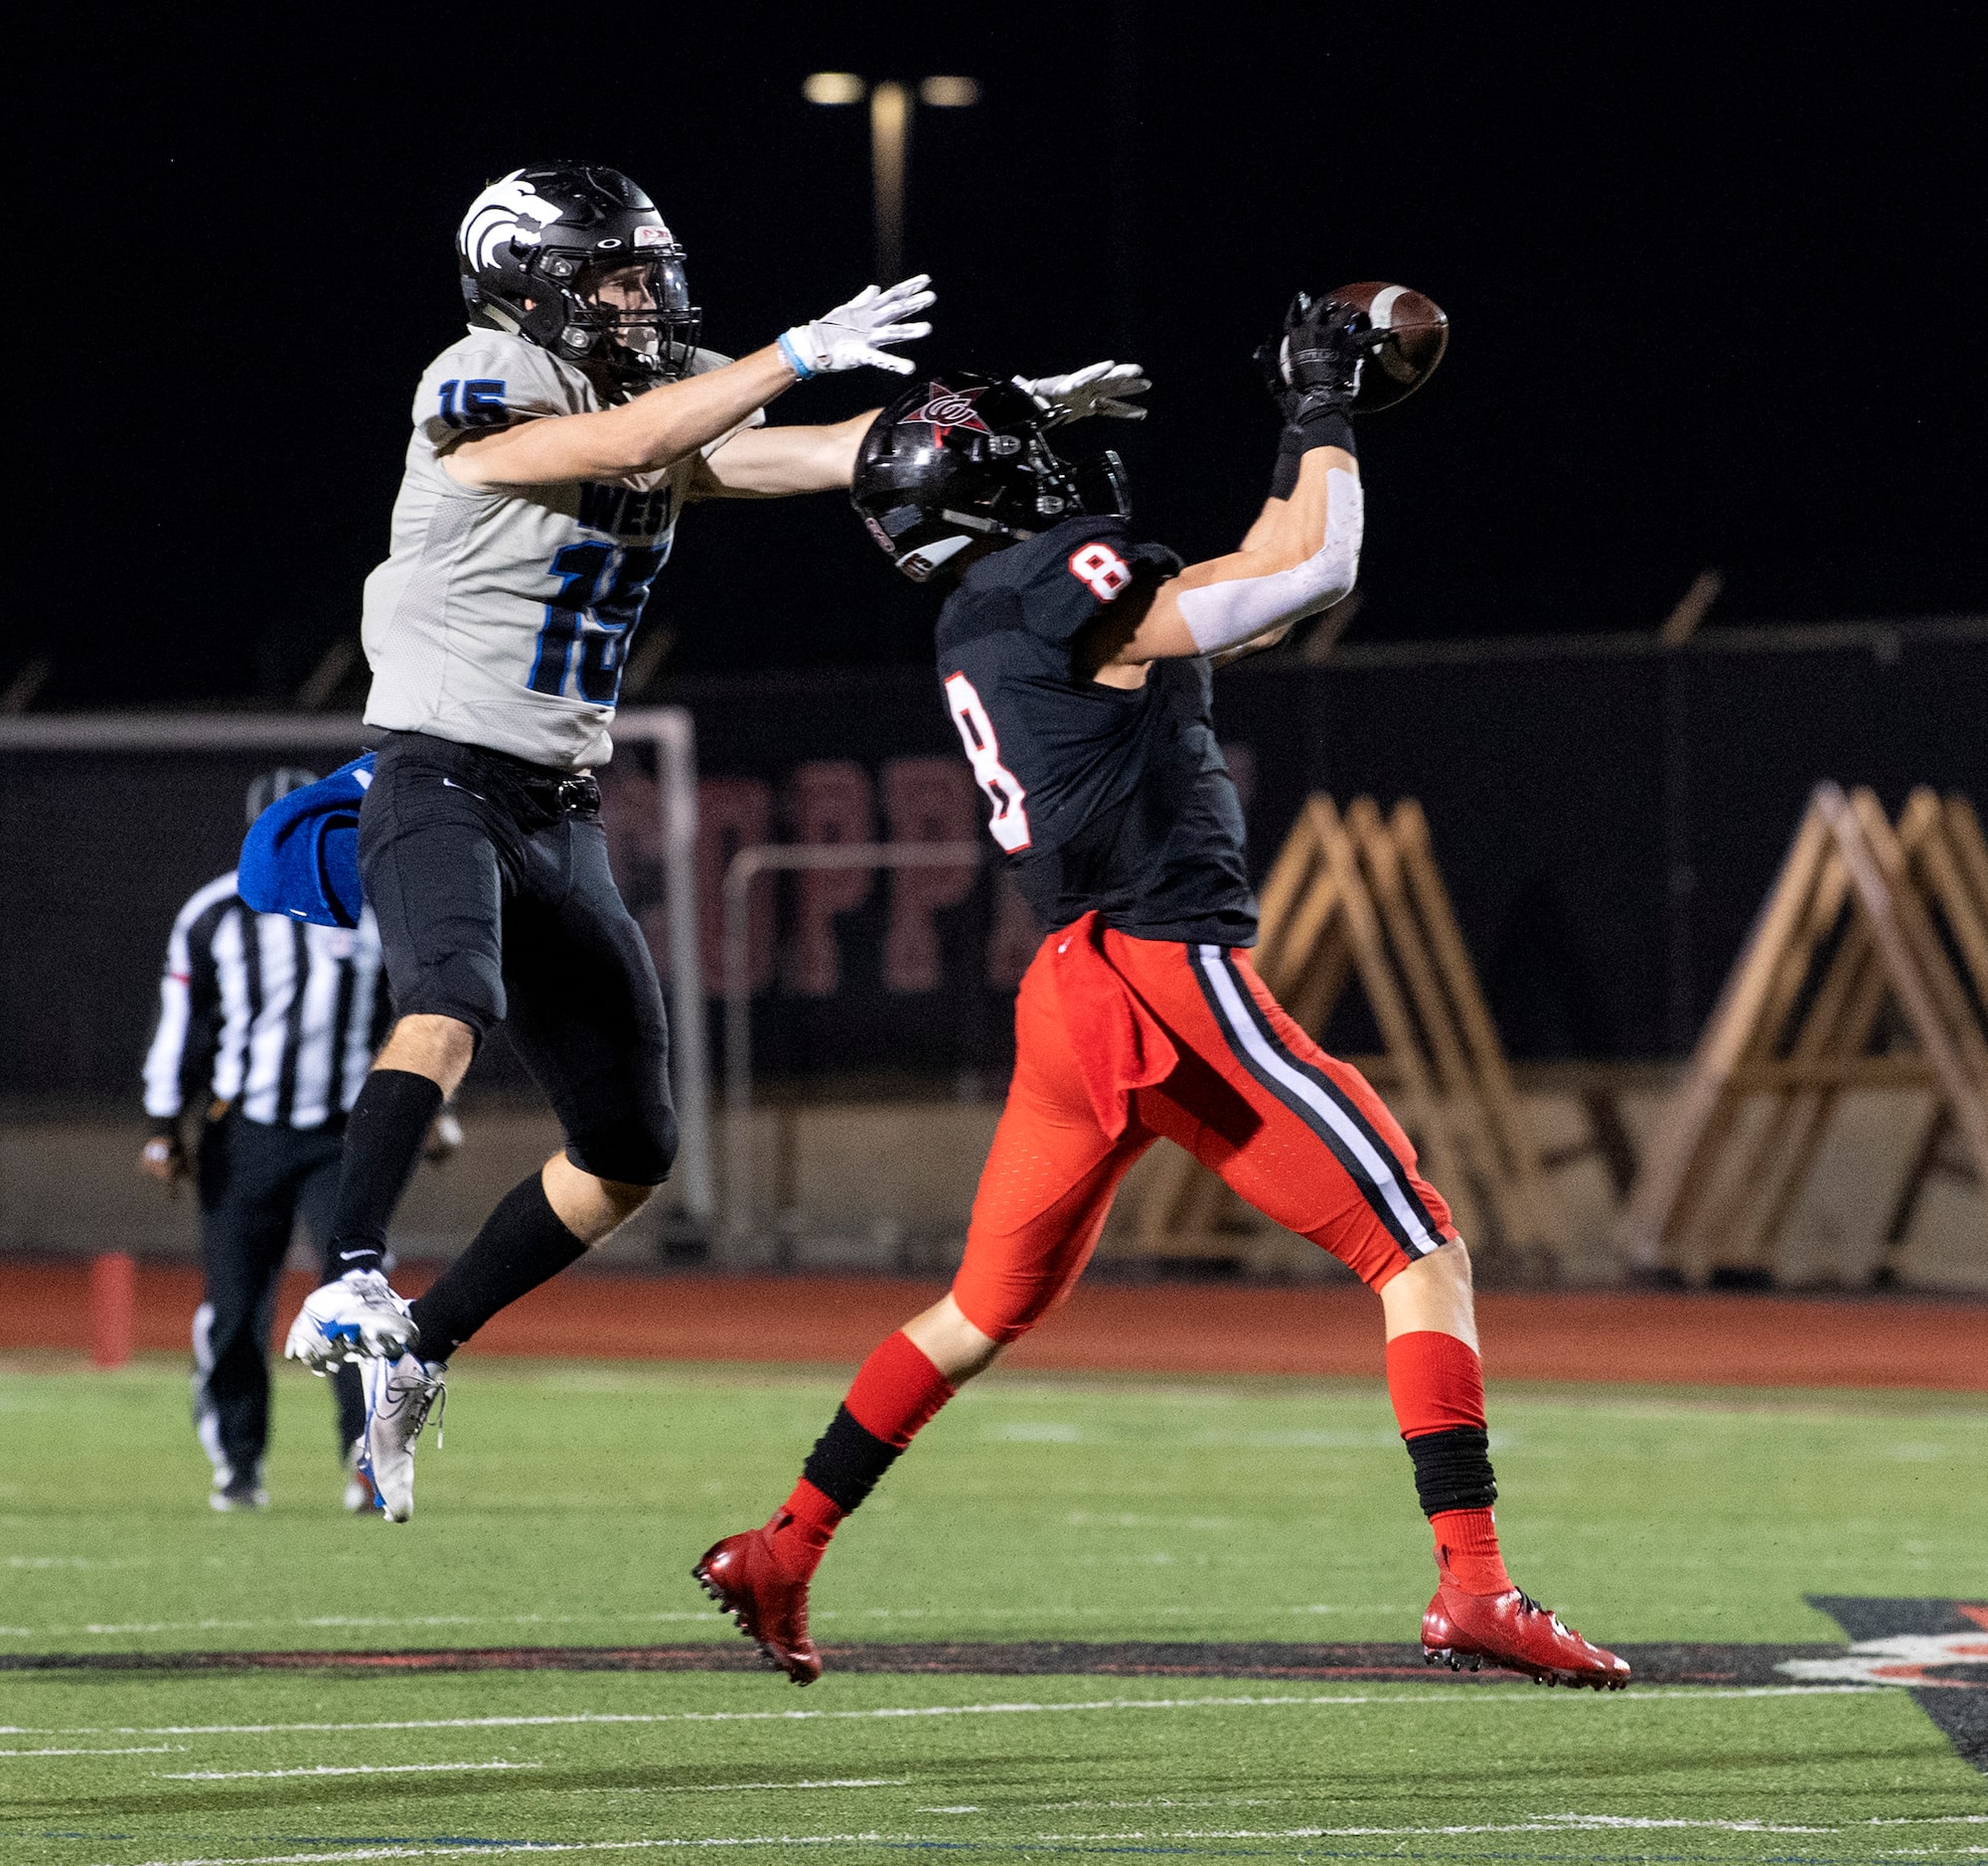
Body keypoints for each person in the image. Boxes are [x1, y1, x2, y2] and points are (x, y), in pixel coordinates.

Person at [691, 302, 1630, 1692]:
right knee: (1418, 1247)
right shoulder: (1058, 588)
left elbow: (1256, 568)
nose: (1058, 468)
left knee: (976, 1309)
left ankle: (783, 1544)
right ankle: (1472, 1586)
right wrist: (1322, 406)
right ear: (999, 498)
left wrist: (1297, 433)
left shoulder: (987, 616)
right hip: (1161, 969)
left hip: (1070, 990)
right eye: (1026, 458)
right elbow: (1312, 568)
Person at [284, 158, 1143, 1522]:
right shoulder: (478, 377)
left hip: (560, 808)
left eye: (644, 274)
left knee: (630, 1149)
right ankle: (355, 1268)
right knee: (450, 999)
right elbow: (631, 444)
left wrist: (1000, 409)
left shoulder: (650, 408)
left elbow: (804, 453)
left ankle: (420, 1351)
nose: (643, 298)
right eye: (616, 276)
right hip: (437, 770)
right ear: (530, 285)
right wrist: (788, 352)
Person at [141, 767, 446, 1513]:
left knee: (360, 1299)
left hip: (346, 1134)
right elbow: (187, 1025)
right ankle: (237, 1464)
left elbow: (414, 1021)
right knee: (234, 1308)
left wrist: (430, 1108)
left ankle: (366, 1459)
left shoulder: (371, 909)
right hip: (240, 1134)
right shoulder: (214, 913)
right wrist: (162, 1122)